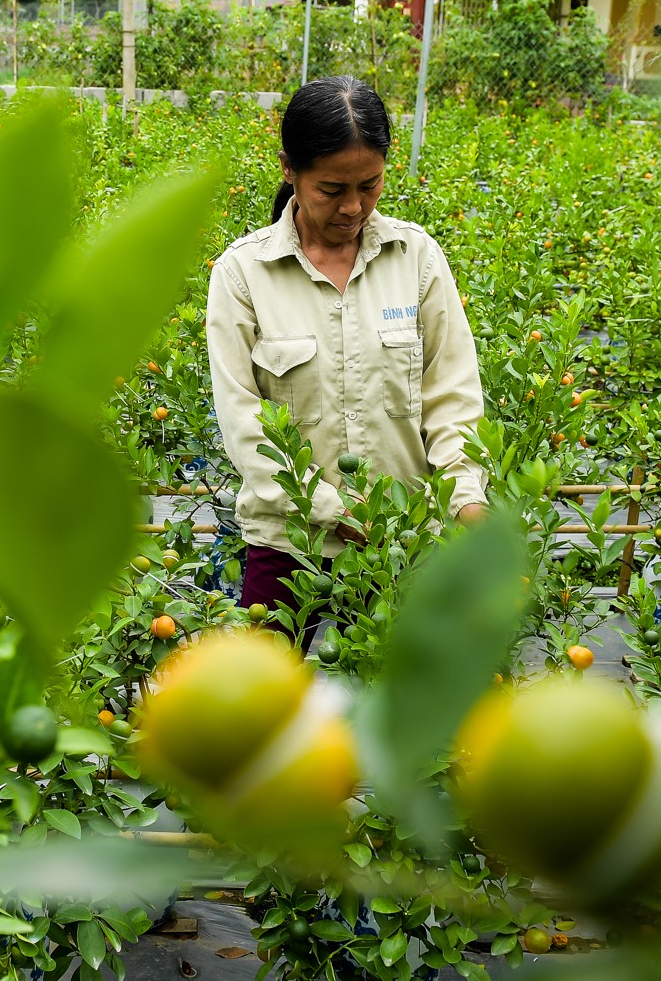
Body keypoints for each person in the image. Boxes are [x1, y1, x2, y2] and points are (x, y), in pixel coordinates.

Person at [206, 75, 487, 630]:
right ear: (290, 170)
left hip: (403, 542)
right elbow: (244, 424)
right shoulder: (243, 274)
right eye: (331, 189)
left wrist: (468, 503)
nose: (353, 207)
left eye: (371, 185)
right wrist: (334, 512)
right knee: (263, 704)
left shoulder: (418, 260)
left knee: (400, 706)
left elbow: (451, 397)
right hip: (289, 541)